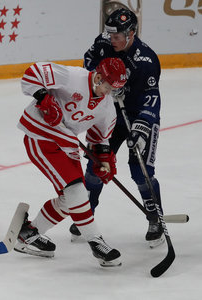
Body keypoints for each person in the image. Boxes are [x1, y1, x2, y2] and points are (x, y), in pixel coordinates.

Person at [14, 57, 127, 267]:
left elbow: (100, 140)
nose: (108, 92)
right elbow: (33, 73)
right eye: (108, 86)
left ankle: (28, 233)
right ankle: (96, 241)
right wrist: (43, 99)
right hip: (41, 135)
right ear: (99, 76)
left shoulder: (106, 108)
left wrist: (104, 161)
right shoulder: (73, 77)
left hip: (65, 144)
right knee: (76, 192)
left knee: (71, 199)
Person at [69, 8, 165, 248]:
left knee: (139, 170)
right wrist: (101, 77)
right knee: (96, 164)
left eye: (117, 36)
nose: (112, 40)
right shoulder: (104, 43)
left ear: (131, 33)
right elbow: (88, 60)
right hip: (108, 114)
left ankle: (156, 218)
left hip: (139, 118)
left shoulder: (146, 60)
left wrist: (142, 129)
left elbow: (151, 98)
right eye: (110, 34)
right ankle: (86, 216)